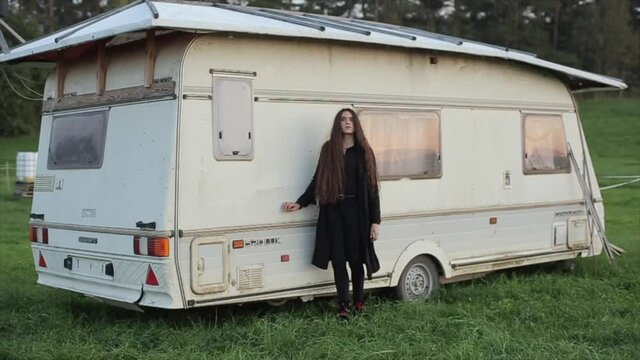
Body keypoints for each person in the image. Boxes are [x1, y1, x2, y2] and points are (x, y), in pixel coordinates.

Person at [282, 108, 381, 319]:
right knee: (338, 261)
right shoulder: (329, 150)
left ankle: (359, 301)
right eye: (343, 119)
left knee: (356, 261)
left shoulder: (364, 151)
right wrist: (300, 203)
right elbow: (317, 179)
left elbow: (372, 188)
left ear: (356, 124)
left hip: (357, 212)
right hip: (333, 211)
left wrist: (375, 221)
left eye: (350, 119)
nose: (347, 122)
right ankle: (344, 305)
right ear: (338, 124)